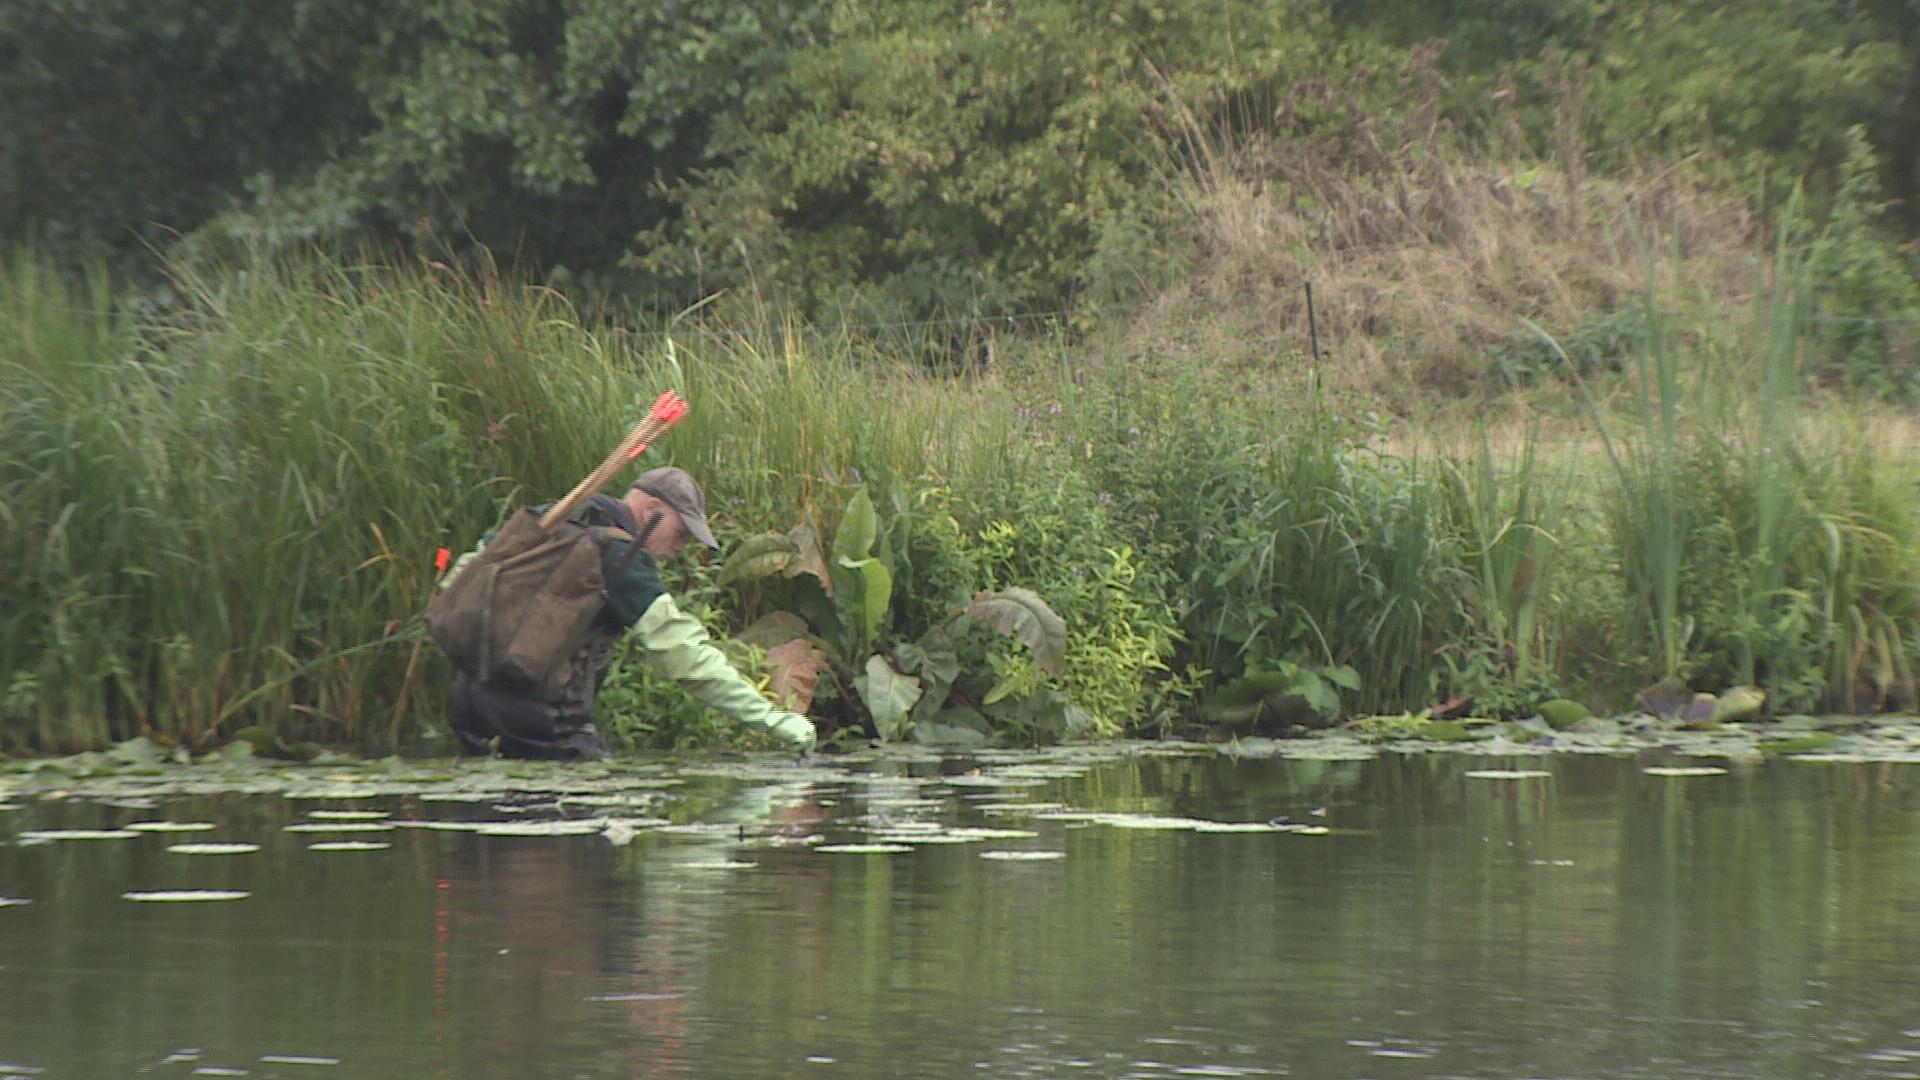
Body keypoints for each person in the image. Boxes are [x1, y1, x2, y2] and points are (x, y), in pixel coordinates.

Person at [442, 466, 816, 760]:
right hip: (542, 726)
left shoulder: (550, 517)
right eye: (680, 533)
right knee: (585, 844)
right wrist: (775, 721)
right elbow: (686, 657)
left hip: (468, 704)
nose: (680, 548)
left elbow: (460, 580)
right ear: (651, 509)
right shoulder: (622, 556)